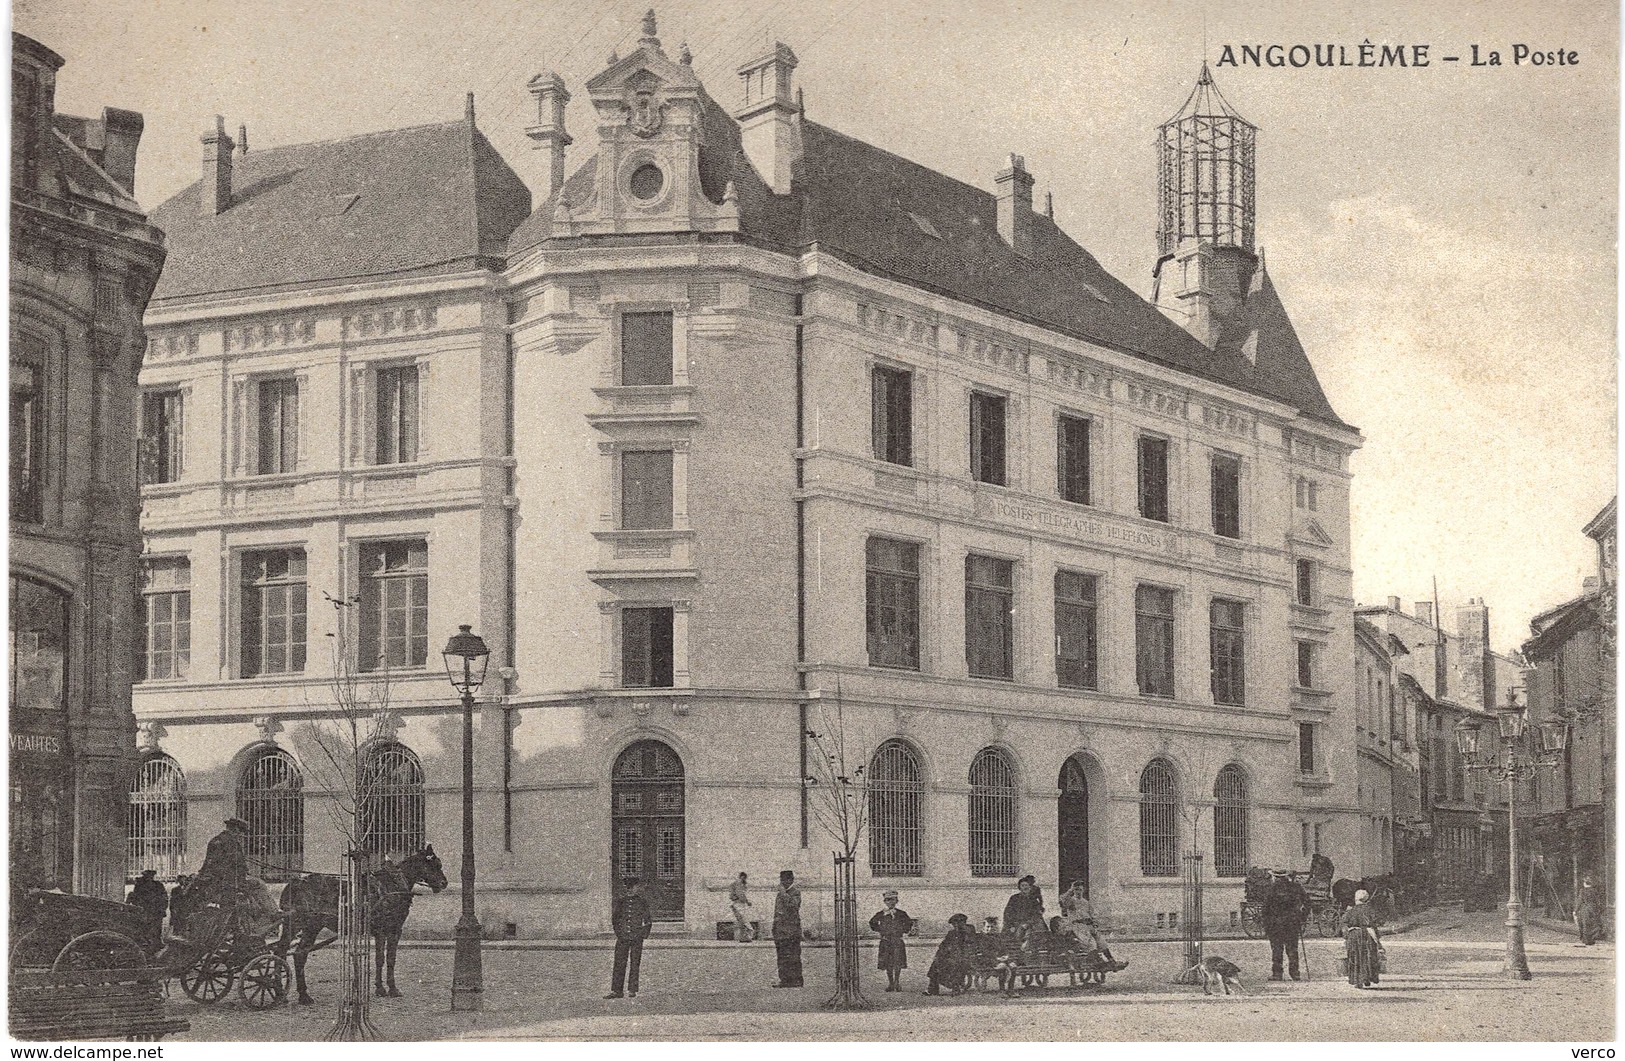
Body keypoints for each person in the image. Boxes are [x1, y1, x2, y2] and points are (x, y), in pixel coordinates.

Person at [605, 877, 651, 999]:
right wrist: (619, 934)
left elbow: (648, 920)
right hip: (623, 937)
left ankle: (632, 989)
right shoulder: (621, 902)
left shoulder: (642, 902)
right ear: (627, 889)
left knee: (635, 963)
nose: (633, 890)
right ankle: (617, 990)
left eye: (634, 887)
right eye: (630, 887)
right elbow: (615, 919)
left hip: (636, 937)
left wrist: (643, 934)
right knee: (619, 962)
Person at [1058, 880, 1121, 967]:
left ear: (1083, 890)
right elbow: (1063, 899)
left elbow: (1092, 915)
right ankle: (1099, 962)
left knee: (1101, 942)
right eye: (1076, 890)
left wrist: (1094, 924)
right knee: (1091, 943)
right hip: (1077, 926)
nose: (1078, 892)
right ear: (1074, 891)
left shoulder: (1086, 902)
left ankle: (1112, 961)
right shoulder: (1071, 901)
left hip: (1088, 925)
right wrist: (1070, 890)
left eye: (1080, 890)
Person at [1263, 870, 1309, 981]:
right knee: (1292, 949)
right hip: (1292, 923)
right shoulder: (1296, 887)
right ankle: (1295, 973)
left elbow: (1265, 909)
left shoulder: (1271, 889)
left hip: (1276, 924)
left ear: (1275, 877)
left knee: (1277, 949)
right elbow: (1307, 902)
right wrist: (1302, 917)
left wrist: (1266, 924)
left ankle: (1277, 974)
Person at [868, 889, 915, 991]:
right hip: (885, 941)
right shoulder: (881, 914)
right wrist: (881, 930)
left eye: (893, 900)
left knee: (897, 962)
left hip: (897, 940)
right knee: (888, 963)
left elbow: (909, 923)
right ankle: (891, 983)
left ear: (896, 901)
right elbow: (872, 923)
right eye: (888, 900)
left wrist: (903, 930)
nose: (890, 902)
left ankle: (897, 982)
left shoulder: (901, 913)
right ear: (885, 902)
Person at [925, 913, 975, 995]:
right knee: (936, 963)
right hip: (951, 957)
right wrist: (938, 956)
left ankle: (956, 987)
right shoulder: (951, 933)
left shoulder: (969, 932)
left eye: (959, 923)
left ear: (963, 923)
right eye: (954, 924)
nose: (956, 926)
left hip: (964, 957)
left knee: (956, 964)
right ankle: (933, 989)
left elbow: (970, 945)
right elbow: (943, 946)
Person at [197, 818, 250, 895]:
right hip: (229, 881)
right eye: (242, 831)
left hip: (213, 879)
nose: (242, 835)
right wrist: (245, 873)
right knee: (259, 885)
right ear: (235, 829)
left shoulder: (215, 839)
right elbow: (239, 863)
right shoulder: (232, 842)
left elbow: (208, 861)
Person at [1343, 888, 1382, 988]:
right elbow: (1374, 923)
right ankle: (1367, 978)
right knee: (1368, 956)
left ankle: (1357, 981)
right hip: (1367, 935)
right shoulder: (1369, 910)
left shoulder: (1351, 911)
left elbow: (1345, 924)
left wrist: (1346, 937)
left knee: (1355, 957)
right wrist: (1377, 938)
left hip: (1354, 935)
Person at [771, 869, 803, 987]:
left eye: (784, 880)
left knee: (793, 956)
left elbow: (793, 906)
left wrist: (784, 893)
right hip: (780, 932)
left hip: (791, 931)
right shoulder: (780, 894)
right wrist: (774, 928)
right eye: (781, 880)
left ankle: (796, 981)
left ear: (791, 880)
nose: (782, 882)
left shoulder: (795, 892)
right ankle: (784, 980)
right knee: (782, 957)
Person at [129, 869, 168, 950]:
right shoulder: (140, 885)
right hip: (145, 910)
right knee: (145, 927)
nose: (149, 878)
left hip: (156, 910)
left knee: (157, 928)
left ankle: (156, 943)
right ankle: (146, 944)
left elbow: (164, 897)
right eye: (147, 876)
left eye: (151, 876)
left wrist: (162, 908)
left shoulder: (158, 885)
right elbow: (136, 897)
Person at [1002, 875, 1045, 940]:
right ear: (1019, 888)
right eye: (1023, 885)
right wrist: (1011, 925)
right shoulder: (1014, 898)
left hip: (1030, 924)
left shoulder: (1033, 900)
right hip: (1016, 923)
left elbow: (1037, 914)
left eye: (1026, 885)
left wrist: (1029, 923)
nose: (1025, 887)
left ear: (1030, 887)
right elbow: (1007, 913)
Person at [1576, 872, 1602, 946]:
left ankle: (1586, 940)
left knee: (1585, 924)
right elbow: (1598, 901)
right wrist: (1598, 909)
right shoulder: (1595, 891)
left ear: (1585, 883)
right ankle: (1592, 939)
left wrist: (1576, 910)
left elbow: (1580, 901)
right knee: (1593, 924)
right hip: (1593, 908)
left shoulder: (1582, 891)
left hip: (1585, 908)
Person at [728, 871, 754, 943]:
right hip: (739, 904)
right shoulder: (739, 883)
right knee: (744, 920)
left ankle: (744, 937)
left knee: (742, 921)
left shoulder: (735, 883)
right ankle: (746, 937)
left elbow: (733, 894)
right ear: (743, 877)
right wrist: (747, 902)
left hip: (736, 904)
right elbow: (741, 894)